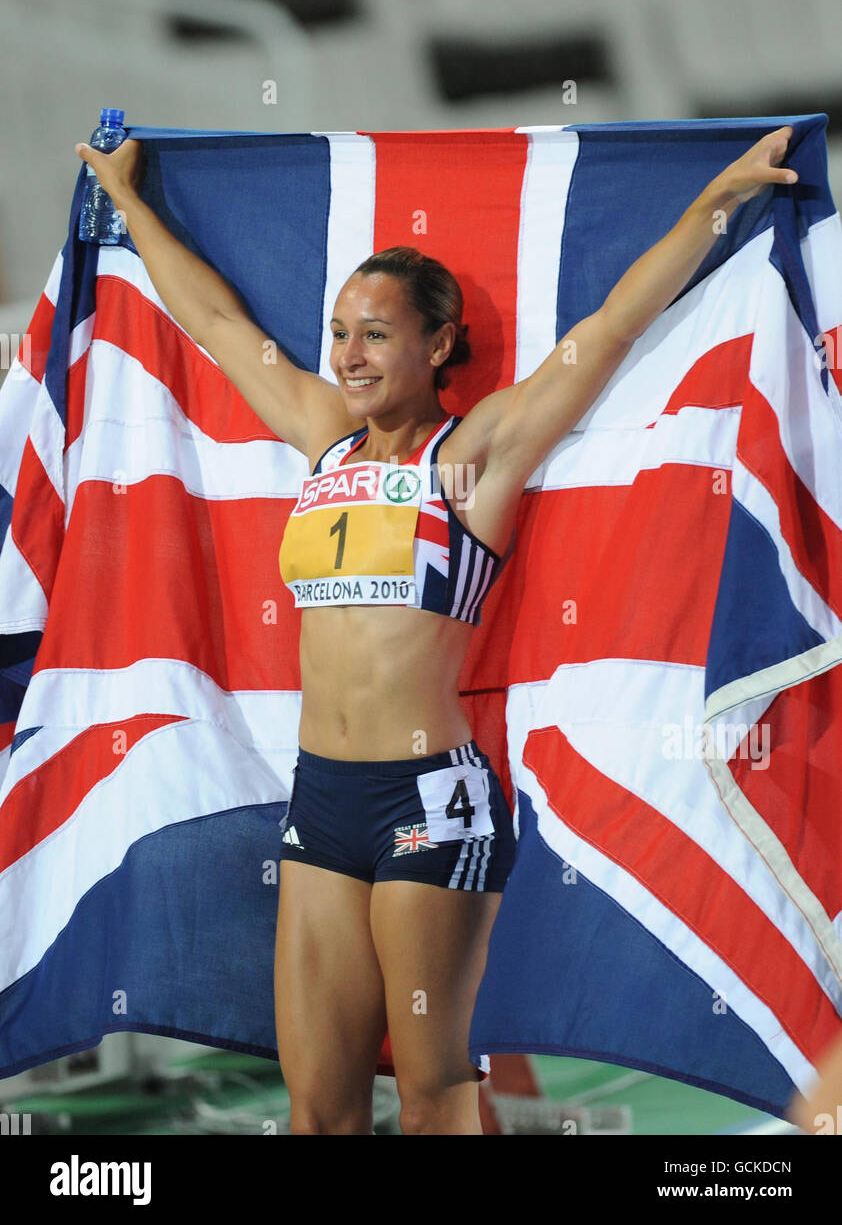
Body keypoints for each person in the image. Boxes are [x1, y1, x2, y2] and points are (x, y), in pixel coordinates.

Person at [74, 125, 798, 1136]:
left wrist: (716, 203)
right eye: (339, 332)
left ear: (438, 344)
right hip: (319, 802)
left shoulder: (475, 456)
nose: (348, 354)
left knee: (434, 1104)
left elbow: (610, 327)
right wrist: (128, 201)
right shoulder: (322, 438)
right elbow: (217, 322)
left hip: (429, 804)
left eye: (375, 334)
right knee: (319, 1112)